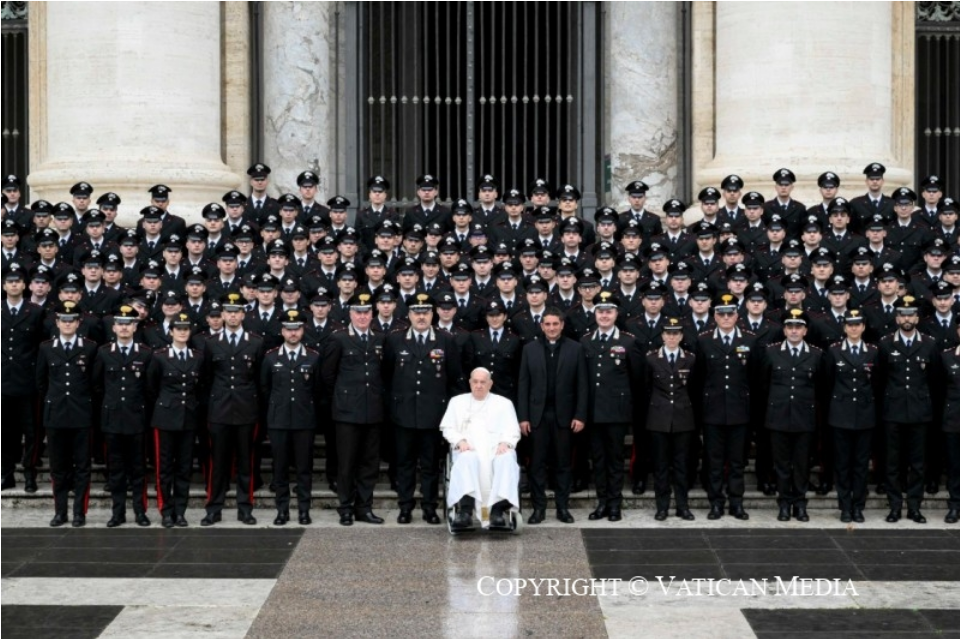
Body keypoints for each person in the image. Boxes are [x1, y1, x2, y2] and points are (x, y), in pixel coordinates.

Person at [383, 293, 464, 524]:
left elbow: (455, 378)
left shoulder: (446, 340)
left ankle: (430, 507)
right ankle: (405, 507)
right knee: (405, 464)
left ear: (433, 314)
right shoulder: (395, 339)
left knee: (430, 465)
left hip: (433, 415)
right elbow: (387, 377)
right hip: (403, 415)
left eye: (425, 312)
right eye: (416, 312)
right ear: (408, 315)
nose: (421, 317)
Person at [321, 293, 388, 526]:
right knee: (347, 463)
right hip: (347, 412)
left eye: (366, 312)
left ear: (373, 314)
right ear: (350, 314)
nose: (362, 316)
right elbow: (328, 376)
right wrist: (341, 401)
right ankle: (346, 508)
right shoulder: (338, 339)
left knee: (369, 464)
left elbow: (384, 374)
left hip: (374, 411)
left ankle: (364, 508)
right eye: (358, 312)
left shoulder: (380, 338)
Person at [517, 307, 588, 524]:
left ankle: (562, 507)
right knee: (536, 465)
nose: (551, 328)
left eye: (555, 324)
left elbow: (582, 385)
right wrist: (523, 417)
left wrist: (580, 415)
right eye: (547, 324)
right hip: (537, 417)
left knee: (563, 464)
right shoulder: (529, 349)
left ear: (562, 325)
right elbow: (523, 385)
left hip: (564, 417)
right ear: (541, 326)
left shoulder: (575, 349)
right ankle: (539, 509)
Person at [200, 292, 265, 526]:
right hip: (219, 410)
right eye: (229, 312)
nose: (233, 315)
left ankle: (245, 508)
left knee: (246, 463)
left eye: (237, 312)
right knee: (218, 463)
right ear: (223, 314)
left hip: (246, 409)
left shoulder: (255, 342)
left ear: (243, 314)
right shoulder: (211, 342)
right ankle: (213, 508)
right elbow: (206, 378)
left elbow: (259, 379)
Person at [36, 300, 98, 527]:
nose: (68, 323)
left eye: (72, 320)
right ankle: (60, 511)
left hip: (81, 413)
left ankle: (79, 512)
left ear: (79, 322)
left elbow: (94, 381)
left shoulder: (90, 347)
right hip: (56, 415)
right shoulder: (46, 347)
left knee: (82, 466)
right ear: (57, 322)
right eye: (64, 320)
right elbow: (41, 381)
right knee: (58, 467)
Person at [877, 295, 938, 524]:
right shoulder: (885, 343)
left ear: (917, 317)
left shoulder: (929, 343)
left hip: (920, 411)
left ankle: (914, 507)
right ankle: (894, 507)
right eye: (903, 314)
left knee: (918, 463)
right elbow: (881, 379)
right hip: (893, 411)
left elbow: (934, 381)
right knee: (892, 463)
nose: (907, 318)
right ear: (896, 317)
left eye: (911, 314)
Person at [92, 305, 153, 527]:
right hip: (112, 419)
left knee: (138, 470)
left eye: (129, 324)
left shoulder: (145, 353)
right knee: (116, 471)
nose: (124, 328)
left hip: (136, 419)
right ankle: (117, 513)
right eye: (121, 324)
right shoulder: (104, 352)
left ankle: (140, 511)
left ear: (135, 327)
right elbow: (97, 386)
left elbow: (149, 388)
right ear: (114, 327)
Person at [260, 309, 321, 526]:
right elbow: (265, 389)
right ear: (282, 331)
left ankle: (304, 510)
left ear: (303, 330)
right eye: (288, 329)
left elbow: (318, 389)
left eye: (297, 329)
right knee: (280, 468)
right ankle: (282, 510)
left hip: (304, 420)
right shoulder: (270, 357)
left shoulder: (313, 357)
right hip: (279, 420)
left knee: (304, 468)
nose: (293, 333)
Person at [762, 309, 824, 522]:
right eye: (790, 327)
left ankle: (800, 503)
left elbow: (822, 388)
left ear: (805, 330)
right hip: (778, 417)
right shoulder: (771, 352)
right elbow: (763, 385)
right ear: (784, 330)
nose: (794, 331)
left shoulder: (816, 354)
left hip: (804, 418)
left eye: (798, 327)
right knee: (781, 464)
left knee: (802, 464)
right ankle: (784, 503)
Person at [441, 367, 521, 530]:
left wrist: (505, 442)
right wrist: (460, 440)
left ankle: (497, 512)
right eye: (475, 382)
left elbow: (513, 430)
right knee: (467, 459)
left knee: (506, 459)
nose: (479, 385)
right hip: (468, 448)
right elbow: (448, 428)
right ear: (470, 383)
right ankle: (465, 511)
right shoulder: (457, 402)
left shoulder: (504, 403)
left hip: (495, 449)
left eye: (483, 382)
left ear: (490, 384)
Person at [147, 312, 203, 527]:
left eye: (185, 329)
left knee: (184, 467)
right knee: (165, 468)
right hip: (165, 417)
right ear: (171, 332)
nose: (182, 332)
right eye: (178, 329)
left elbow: (200, 386)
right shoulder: (159, 356)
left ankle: (181, 510)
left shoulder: (197, 357)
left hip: (188, 417)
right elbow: (151, 388)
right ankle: (166, 510)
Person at [824, 309, 880, 523]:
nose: (854, 328)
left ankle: (858, 505)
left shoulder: (873, 352)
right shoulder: (834, 351)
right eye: (850, 324)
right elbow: (828, 383)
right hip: (841, 415)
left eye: (858, 324)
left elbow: (877, 383)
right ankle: (845, 506)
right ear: (844, 327)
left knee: (860, 464)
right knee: (842, 464)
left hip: (865, 415)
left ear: (863, 327)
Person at [642, 317, 697, 521]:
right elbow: (646, 388)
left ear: (681, 336)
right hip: (658, 419)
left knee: (682, 465)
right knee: (661, 465)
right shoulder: (651, 359)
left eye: (676, 333)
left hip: (683, 418)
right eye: (668, 333)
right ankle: (662, 507)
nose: (672, 337)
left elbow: (695, 389)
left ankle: (682, 506)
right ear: (662, 336)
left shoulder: (690, 359)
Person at [1, 263, 45, 493]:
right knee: (5, 432)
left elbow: (42, 347)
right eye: (10, 282)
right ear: (3, 285)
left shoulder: (35, 311)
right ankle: (6, 474)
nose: (14, 285)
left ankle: (30, 474)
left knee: (31, 432)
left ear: (25, 285)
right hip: (3, 382)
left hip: (28, 382)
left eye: (18, 281)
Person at [941, 325, 960, 524]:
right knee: (955, 467)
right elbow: (939, 388)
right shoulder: (947, 357)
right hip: (954, 420)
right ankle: (955, 504)